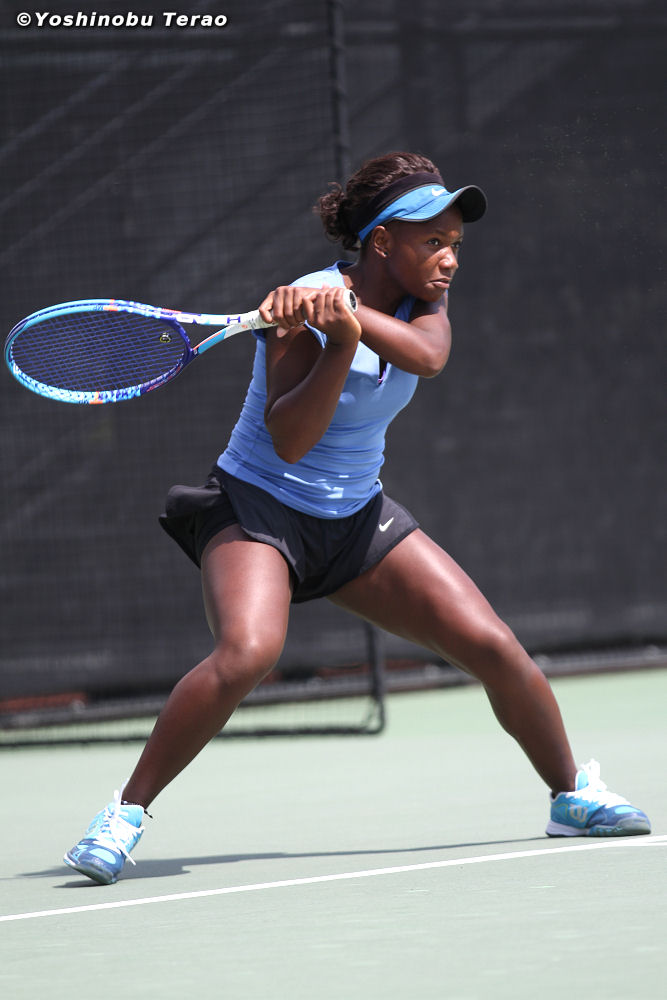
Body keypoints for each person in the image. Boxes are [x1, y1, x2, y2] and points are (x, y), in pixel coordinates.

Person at [64, 151, 650, 885]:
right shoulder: (297, 312)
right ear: (382, 242)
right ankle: (123, 814)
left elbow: (428, 358)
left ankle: (571, 795)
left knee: (492, 644)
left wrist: (349, 318)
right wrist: (336, 340)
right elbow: (290, 439)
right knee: (248, 652)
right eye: (432, 241)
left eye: (454, 243)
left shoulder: (424, 303)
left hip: (355, 518)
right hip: (258, 510)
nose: (449, 259)